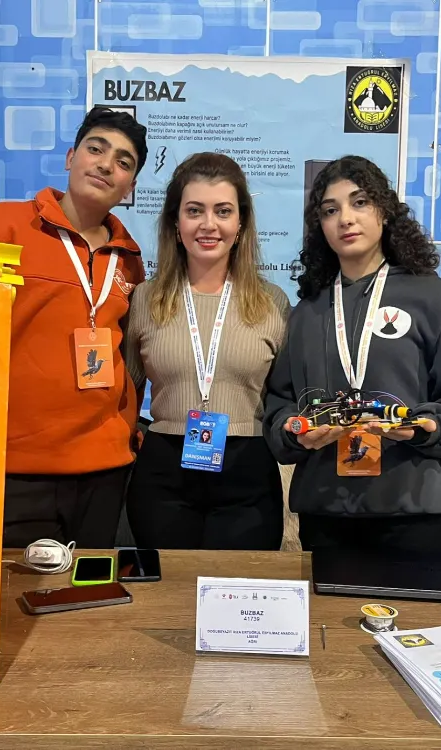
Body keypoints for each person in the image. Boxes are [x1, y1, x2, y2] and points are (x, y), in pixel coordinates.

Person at [262, 155, 441, 554]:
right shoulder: (308, 311)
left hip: (413, 509)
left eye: (360, 202)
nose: (345, 219)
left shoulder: (431, 297)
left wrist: (426, 426)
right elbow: (280, 405)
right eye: (330, 210)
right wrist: (294, 431)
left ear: (384, 211)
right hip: (326, 514)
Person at [0, 107, 149, 549]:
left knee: (88, 590)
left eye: (123, 162)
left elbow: (129, 359)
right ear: (70, 157)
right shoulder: (1, 226)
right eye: (96, 149)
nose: (106, 165)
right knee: (20, 590)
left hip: (104, 468)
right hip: (16, 466)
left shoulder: (129, 260)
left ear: (130, 186)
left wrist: (127, 429)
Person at [125, 152, 291, 550]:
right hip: (164, 476)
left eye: (223, 211)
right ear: (175, 221)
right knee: (169, 588)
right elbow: (125, 393)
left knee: (238, 585)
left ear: (241, 223)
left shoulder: (273, 303)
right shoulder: (145, 299)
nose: (208, 224)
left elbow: (285, 399)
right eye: (194, 210)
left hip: (248, 474)